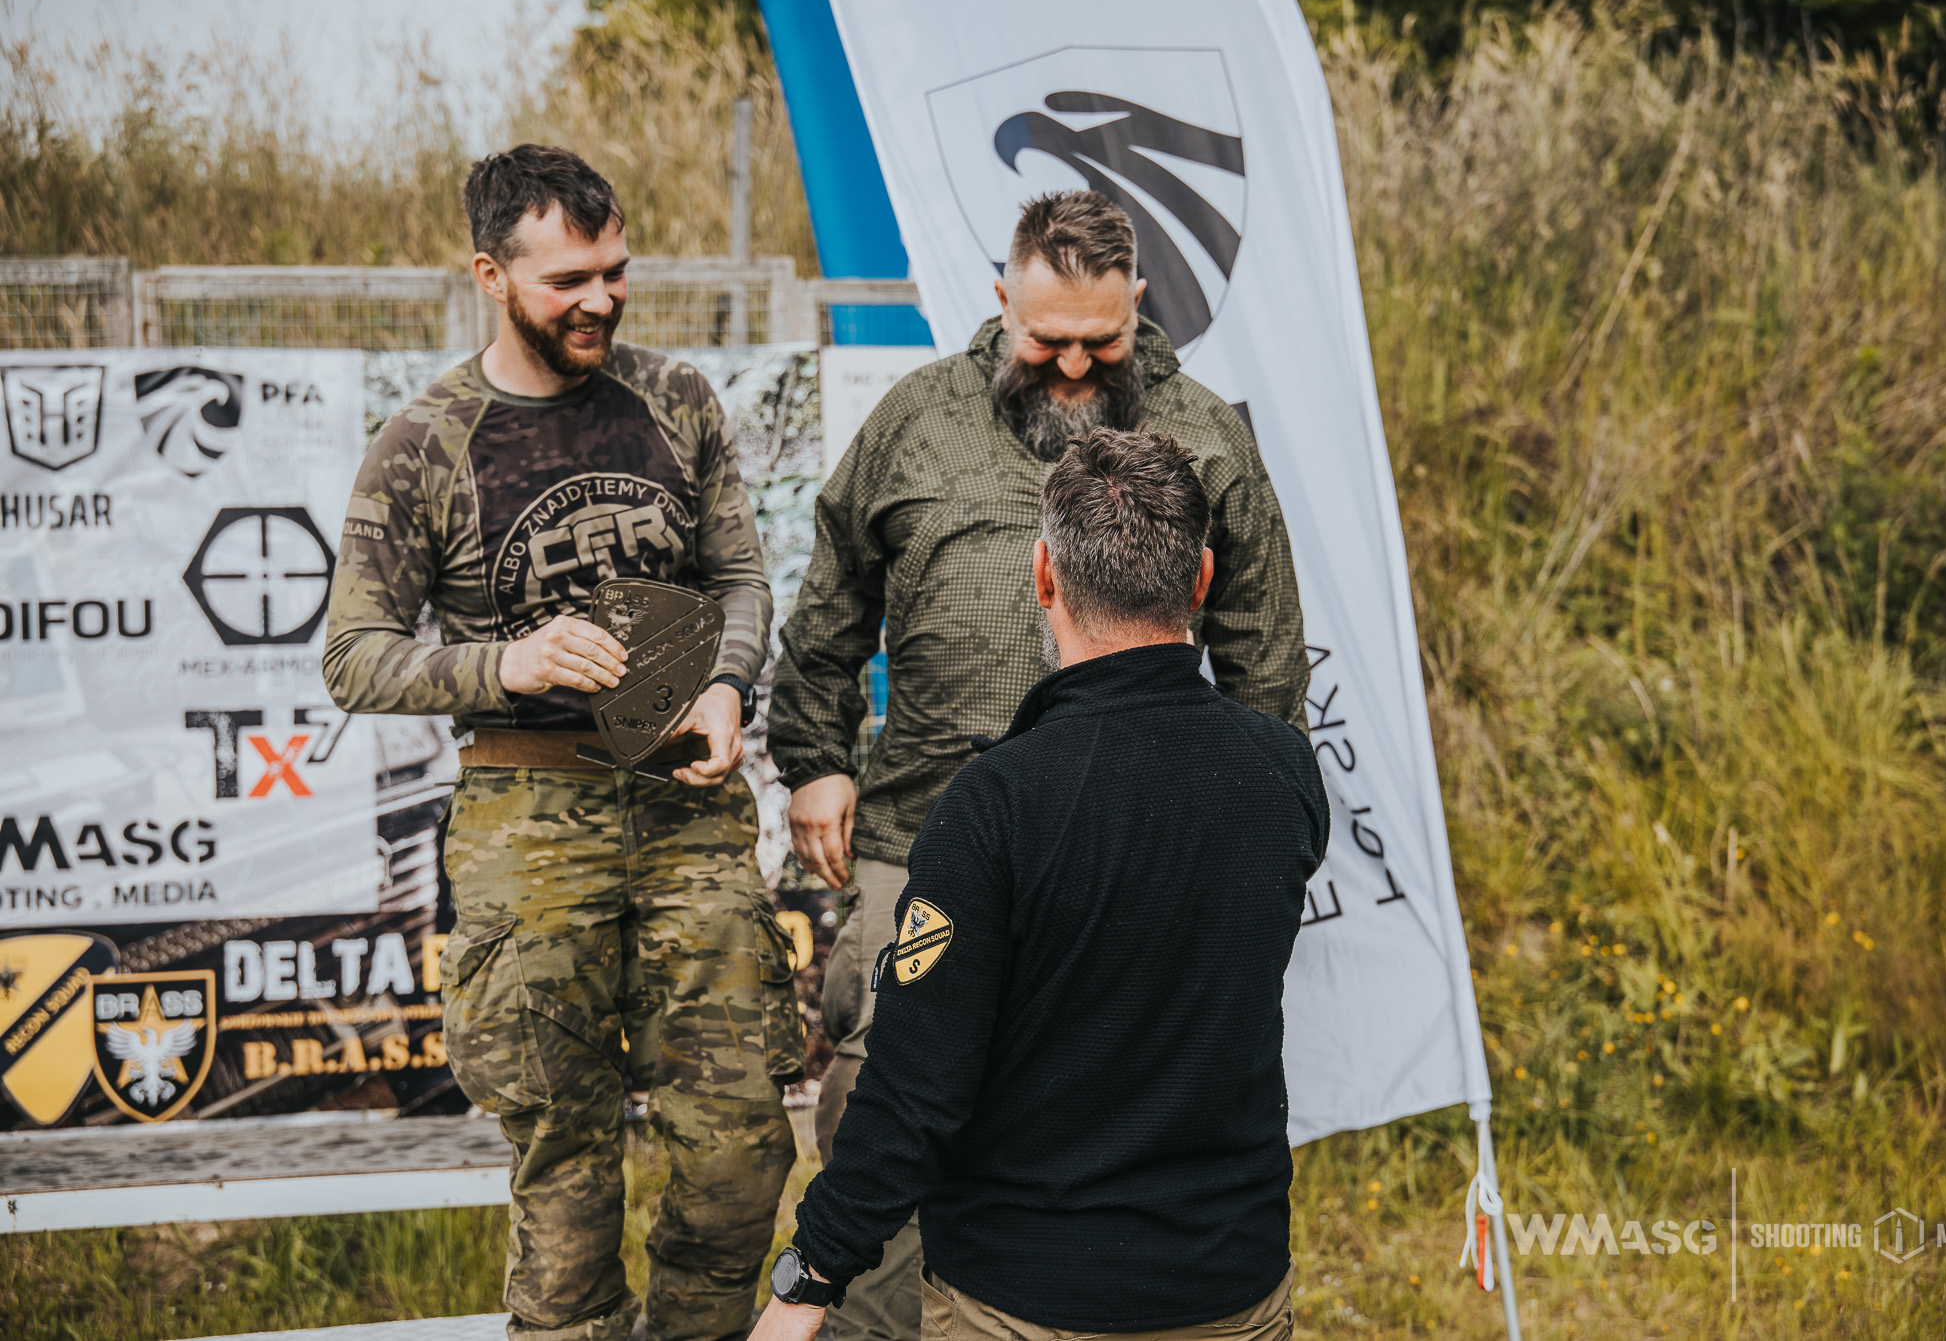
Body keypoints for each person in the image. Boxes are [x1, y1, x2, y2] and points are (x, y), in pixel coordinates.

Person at [766, 190, 1310, 1341]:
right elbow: (827, 607)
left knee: (1110, 1107)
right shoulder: (915, 422)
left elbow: (1261, 641)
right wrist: (814, 759)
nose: (1070, 366)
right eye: (1044, 339)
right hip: (920, 838)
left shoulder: (1205, 435)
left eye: (1098, 343)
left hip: (1131, 857)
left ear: (1139, 308)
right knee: (885, 1097)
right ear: (1000, 298)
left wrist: (1251, 817)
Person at [324, 144, 802, 1341]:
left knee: (743, 1153)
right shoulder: (423, 442)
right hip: (526, 826)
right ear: (491, 274)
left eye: (615, 272)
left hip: (688, 808)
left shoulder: (676, 399)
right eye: (567, 280)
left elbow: (739, 576)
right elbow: (353, 657)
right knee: (568, 1169)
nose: (600, 300)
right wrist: (507, 664)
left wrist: (730, 684)